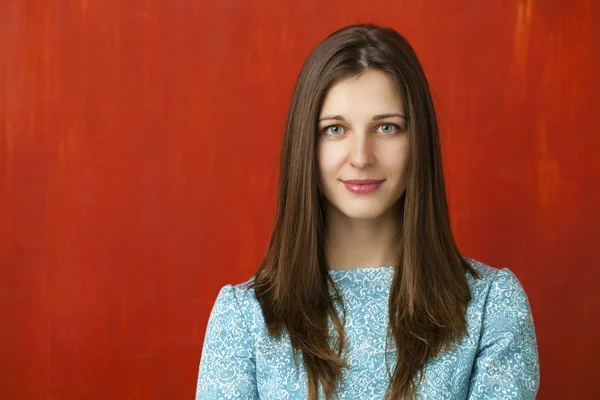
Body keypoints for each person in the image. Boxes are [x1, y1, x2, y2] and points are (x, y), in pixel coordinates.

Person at [195, 24, 540, 400]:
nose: (361, 157)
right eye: (335, 129)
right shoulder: (245, 316)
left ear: (418, 142)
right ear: (304, 145)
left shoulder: (491, 306)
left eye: (387, 127)